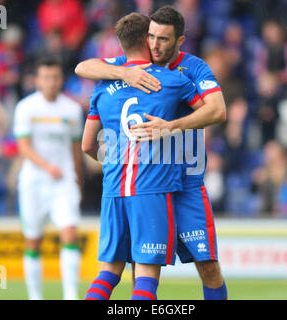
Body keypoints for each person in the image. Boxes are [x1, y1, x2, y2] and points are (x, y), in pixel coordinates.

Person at [76, 6, 227, 300]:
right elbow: (82, 67)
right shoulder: (127, 66)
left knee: (207, 264)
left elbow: (219, 110)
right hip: (149, 182)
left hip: (186, 185)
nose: (155, 45)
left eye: (163, 39)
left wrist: (172, 127)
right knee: (140, 268)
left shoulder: (194, 68)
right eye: (151, 37)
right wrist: (125, 74)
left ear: (179, 41)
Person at [13, 57, 83, 300]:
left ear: (61, 80)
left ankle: (71, 295)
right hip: (33, 182)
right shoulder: (26, 107)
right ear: (37, 81)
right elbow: (23, 146)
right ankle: (35, 296)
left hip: (63, 181)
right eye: (45, 78)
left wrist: (77, 179)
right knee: (33, 240)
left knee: (70, 234)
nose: (50, 82)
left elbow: (76, 149)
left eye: (54, 77)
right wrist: (46, 166)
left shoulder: (72, 110)